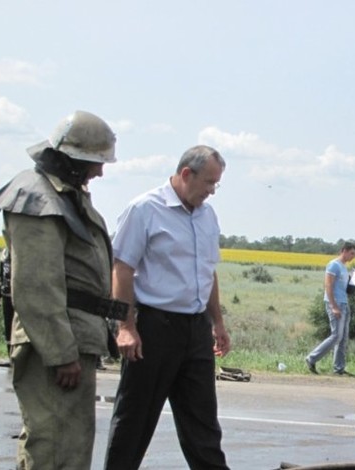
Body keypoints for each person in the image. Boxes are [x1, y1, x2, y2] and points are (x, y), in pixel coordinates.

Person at [0, 110, 125, 469]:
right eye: (96, 162)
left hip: (72, 337)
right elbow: (36, 285)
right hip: (55, 343)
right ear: (74, 157)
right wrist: (61, 352)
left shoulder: (62, 195)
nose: (100, 171)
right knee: (54, 445)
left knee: (66, 442)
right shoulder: (36, 198)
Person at [104, 145, 232, 470]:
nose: (212, 191)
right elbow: (122, 269)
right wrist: (125, 327)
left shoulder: (207, 215)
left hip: (196, 330)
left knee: (203, 424)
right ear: (186, 173)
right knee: (136, 418)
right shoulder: (145, 209)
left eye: (216, 184)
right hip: (152, 329)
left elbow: (208, 272)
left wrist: (217, 323)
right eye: (208, 182)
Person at [306, 241, 355, 375]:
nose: (353, 256)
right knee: (336, 336)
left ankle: (339, 368)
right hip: (335, 303)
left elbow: (346, 290)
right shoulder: (334, 265)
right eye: (351, 253)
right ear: (344, 251)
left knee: (343, 338)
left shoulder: (344, 268)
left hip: (344, 303)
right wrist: (333, 306)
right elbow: (328, 285)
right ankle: (312, 358)